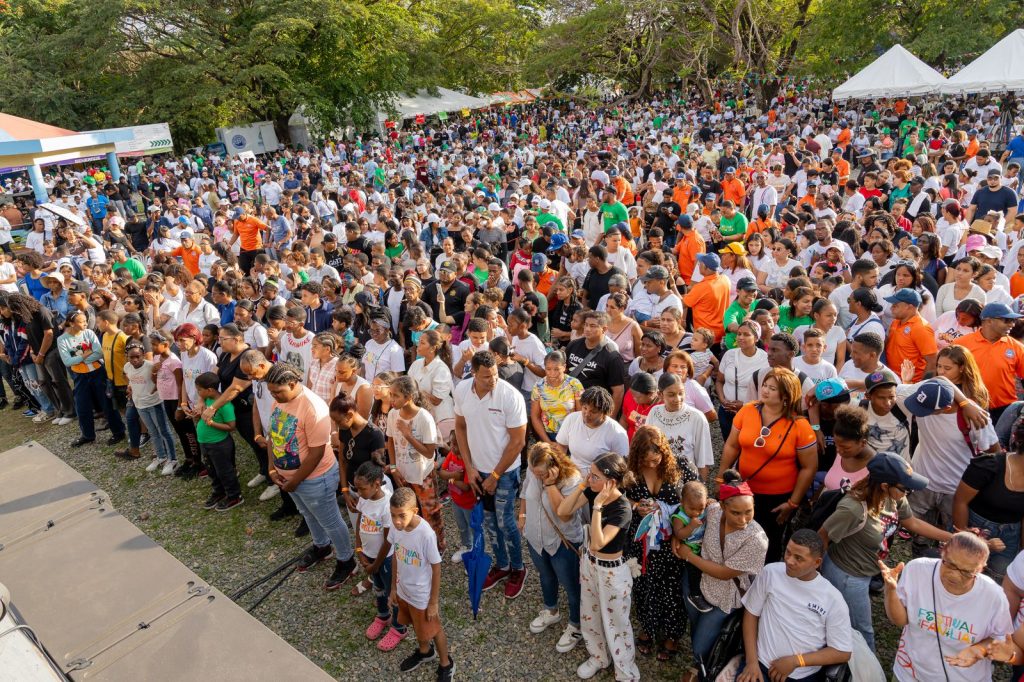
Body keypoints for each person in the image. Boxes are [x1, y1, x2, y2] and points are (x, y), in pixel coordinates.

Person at [819, 452, 952, 649]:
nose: (907, 492)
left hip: (866, 571)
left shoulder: (895, 497)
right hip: (847, 575)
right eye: (904, 488)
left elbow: (912, 522)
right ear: (884, 485)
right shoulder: (853, 509)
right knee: (862, 629)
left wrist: (952, 538)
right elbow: (822, 536)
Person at [265, 362, 356, 590]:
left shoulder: (313, 407)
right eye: (271, 392)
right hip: (289, 479)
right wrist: (272, 468)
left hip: (315, 478)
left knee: (330, 520)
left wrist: (295, 481)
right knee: (307, 513)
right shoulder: (280, 399)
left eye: (278, 391)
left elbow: (316, 452)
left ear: (293, 384)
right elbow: (273, 435)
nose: (274, 396)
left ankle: (347, 560)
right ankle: (321, 546)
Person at [673, 471, 768, 682]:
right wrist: (676, 540)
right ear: (723, 506)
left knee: (699, 644)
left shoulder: (756, 540)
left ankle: (705, 667)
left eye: (749, 512)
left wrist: (688, 556)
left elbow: (725, 574)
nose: (743, 519)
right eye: (736, 512)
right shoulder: (712, 511)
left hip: (725, 598)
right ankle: (701, 667)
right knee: (696, 625)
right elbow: (687, 524)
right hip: (697, 586)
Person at [879, 532, 1013, 681]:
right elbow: (900, 621)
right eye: (950, 565)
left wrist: (979, 649)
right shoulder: (917, 570)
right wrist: (890, 591)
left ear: (981, 569)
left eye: (966, 572)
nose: (954, 575)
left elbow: (1000, 639)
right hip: (910, 674)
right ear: (942, 552)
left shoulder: (994, 596)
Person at [720, 367, 817, 562]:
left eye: (772, 388)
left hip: (776, 500)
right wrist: (720, 477)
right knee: (738, 536)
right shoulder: (747, 410)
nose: (765, 390)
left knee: (767, 544)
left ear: (786, 395)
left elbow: (809, 468)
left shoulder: (800, 426)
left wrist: (792, 503)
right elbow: (731, 445)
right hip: (743, 490)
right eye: (765, 385)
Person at [453, 350, 529, 599]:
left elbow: (518, 442)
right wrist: (470, 466)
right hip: (478, 470)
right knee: (488, 522)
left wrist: (495, 476)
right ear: (473, 373)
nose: (492, 380)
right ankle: (502, 565)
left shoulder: (510, 396)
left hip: (505, 472)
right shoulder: (463, 390)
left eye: (495, 374)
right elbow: (460, 427)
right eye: (486, 376)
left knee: (506, 522)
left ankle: (518, 568)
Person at [557, 452, 639, 681]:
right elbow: (563, 511)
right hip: (589, 565)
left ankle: (625, 669)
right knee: (590, 613)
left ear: (611, 482)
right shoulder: (592, 490)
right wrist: (583, 485)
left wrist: (597, 507)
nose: (588, 479)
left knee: (617, 621)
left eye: (594, 476)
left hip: (611, 570)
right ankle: (598, 656)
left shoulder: (622, 508)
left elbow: (598, 543)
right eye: (589, 475)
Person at [738, 529, 853, 682]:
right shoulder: (770, 572)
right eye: (788, 552)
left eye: (798, 558)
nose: (789, 561)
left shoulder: (833, 599)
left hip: (800, 676)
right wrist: (751, 662)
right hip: (759, 666)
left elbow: (842, 651)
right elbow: (751, 613)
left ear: (817, 563)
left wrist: (796, 661)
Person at [624, 426, 697, 662]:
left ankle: (672, 635)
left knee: (672, 588)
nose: (652, 463)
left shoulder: (681, 467)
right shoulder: (631, 471)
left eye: (656, 458)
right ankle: (648, 627)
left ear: (663, 451)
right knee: (643, 583)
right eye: (645, 460)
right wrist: (636, 505)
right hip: (641, 539)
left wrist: (677, 529)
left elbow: (696, 499)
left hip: (670, 539)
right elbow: (620, 496)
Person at [519, 442, 585, 654]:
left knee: (571, 584)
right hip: (536, 537)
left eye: (541, 474)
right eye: (533, 472)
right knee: (545, 575)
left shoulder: (573, 479)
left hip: (562, 540)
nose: (536, 476)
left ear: (554, 466)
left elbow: (564, 514)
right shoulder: (533, 469)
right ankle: (551, 610)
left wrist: (550, 485)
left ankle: (576, 624)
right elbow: (524, 493)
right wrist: (522, 515)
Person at [387, 487, 454, 681]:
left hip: (421, 595)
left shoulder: (425, 534)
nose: (396, 521)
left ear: (414, 511)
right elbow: (395, 557)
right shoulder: (395, 528)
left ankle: (446, 663)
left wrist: (433, 602)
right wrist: (393, 588)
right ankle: (425, 652)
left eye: (401, 516)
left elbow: (436, 568)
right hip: (403, 590)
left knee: (434, 629)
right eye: (393, 516)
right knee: (417, 625)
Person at [952, 419, 1024, 581]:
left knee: (996, 581)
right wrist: (964, 536)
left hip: (1010, 538)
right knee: (962, 574)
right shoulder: (989, 465)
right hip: (974, 527)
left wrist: (1022, 553)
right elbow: (960, 501)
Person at [352, 462, 407, 652]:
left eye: (362, 488)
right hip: (369, 557)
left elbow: (388, 541)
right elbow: (360, 520)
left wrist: (376, 564)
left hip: (386, 560)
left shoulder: (387, 506)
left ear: (377, 483)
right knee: (378, 588)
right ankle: (383, 615)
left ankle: (399, 627)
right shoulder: (365, 499)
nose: (359, 493)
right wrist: (359, 550)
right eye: (356, 488)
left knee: (393, 593)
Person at [385, 375, 444, 552]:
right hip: (402, 475)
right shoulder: (393, 414)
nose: (391, 399)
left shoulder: (424, 418)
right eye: (391, 394)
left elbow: (429, 452)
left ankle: (436, 547)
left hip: (422, 475)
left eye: (396, 395)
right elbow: (390, 442)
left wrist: (408, 435)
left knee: (430, 513)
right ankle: (416, 544)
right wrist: (394, 468)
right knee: (409, 511)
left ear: (409, 397)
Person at [58, 310, 126, 448]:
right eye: (81, 321)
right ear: (71, 323)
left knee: (107, 403)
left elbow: (99, 352)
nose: (85, 324)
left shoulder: (89, 333)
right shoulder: (62, 339)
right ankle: (88, 435)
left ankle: (119, 431)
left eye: (85, 321)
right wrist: (84, 356)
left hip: (98, 373)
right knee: (82, 406)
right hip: (79, 377)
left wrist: (78, 358)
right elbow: (67, 362)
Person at [954, 302, 1024, 425]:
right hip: (969, 407)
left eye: (1013, 321)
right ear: (988, 321)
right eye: (1006, 320)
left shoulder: (1017, 347)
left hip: (1004, 410)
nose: (1012, 324)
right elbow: (949, 377)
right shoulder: (961, 344)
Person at [124, 342, 179, 475]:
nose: (135, 360)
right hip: (140, 405)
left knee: (164, 431)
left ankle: (173, 460)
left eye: (138, 356)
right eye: (131, 357)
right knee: (153, 432)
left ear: (143, 355)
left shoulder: (151, 366)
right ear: (127, 357)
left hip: (155, 404)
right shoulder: (127, 367)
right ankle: (161, 457)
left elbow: (160, 381)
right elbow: (129, 379)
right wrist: (130, 387)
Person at [646, 373, 714, 479]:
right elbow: (647, 447)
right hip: (658, 478)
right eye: (671, 394)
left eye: (681, 393)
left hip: (686, 479)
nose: (677, 399)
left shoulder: (697, 417)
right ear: (660, 394)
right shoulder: (654, 412)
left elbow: (703, 459)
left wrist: (700, 487)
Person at [193, 371, 241, 510]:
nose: (198, 393)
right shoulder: (207, 400)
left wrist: (212, 423)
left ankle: (234, 496)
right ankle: (219, 492)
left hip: (219, 444)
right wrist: (196, 416)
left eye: (199, 390)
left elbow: (231, 426)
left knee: (224, 471)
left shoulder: (224, 406)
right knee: (211, 470)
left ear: (210, 390)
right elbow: (202, 416)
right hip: (205, 442)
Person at [555, 386, 629, 477]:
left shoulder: (616, 432)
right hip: (572, 475)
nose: (587, 414)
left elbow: (622, 464)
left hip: (599, 481)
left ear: (604, 412)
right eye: (585, 408)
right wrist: (563, 468)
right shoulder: (572, 419)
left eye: (593, 412)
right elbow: (561, 446)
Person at [884, 288, 937, 382]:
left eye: (895, 305)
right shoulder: (896, 321)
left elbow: (932, 362)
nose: (891, 308)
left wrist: (921, 386)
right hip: (892, 379)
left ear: (909, 306)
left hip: (910, 383)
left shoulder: (921, 328)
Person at [683, 253, 731, 344]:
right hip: (721, 332)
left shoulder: (701, 287)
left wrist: (673, 286)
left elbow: (683, 303)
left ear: (705, 266)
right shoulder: (725, 279)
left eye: (700, 263)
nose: (698, 265)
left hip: (705, 337)